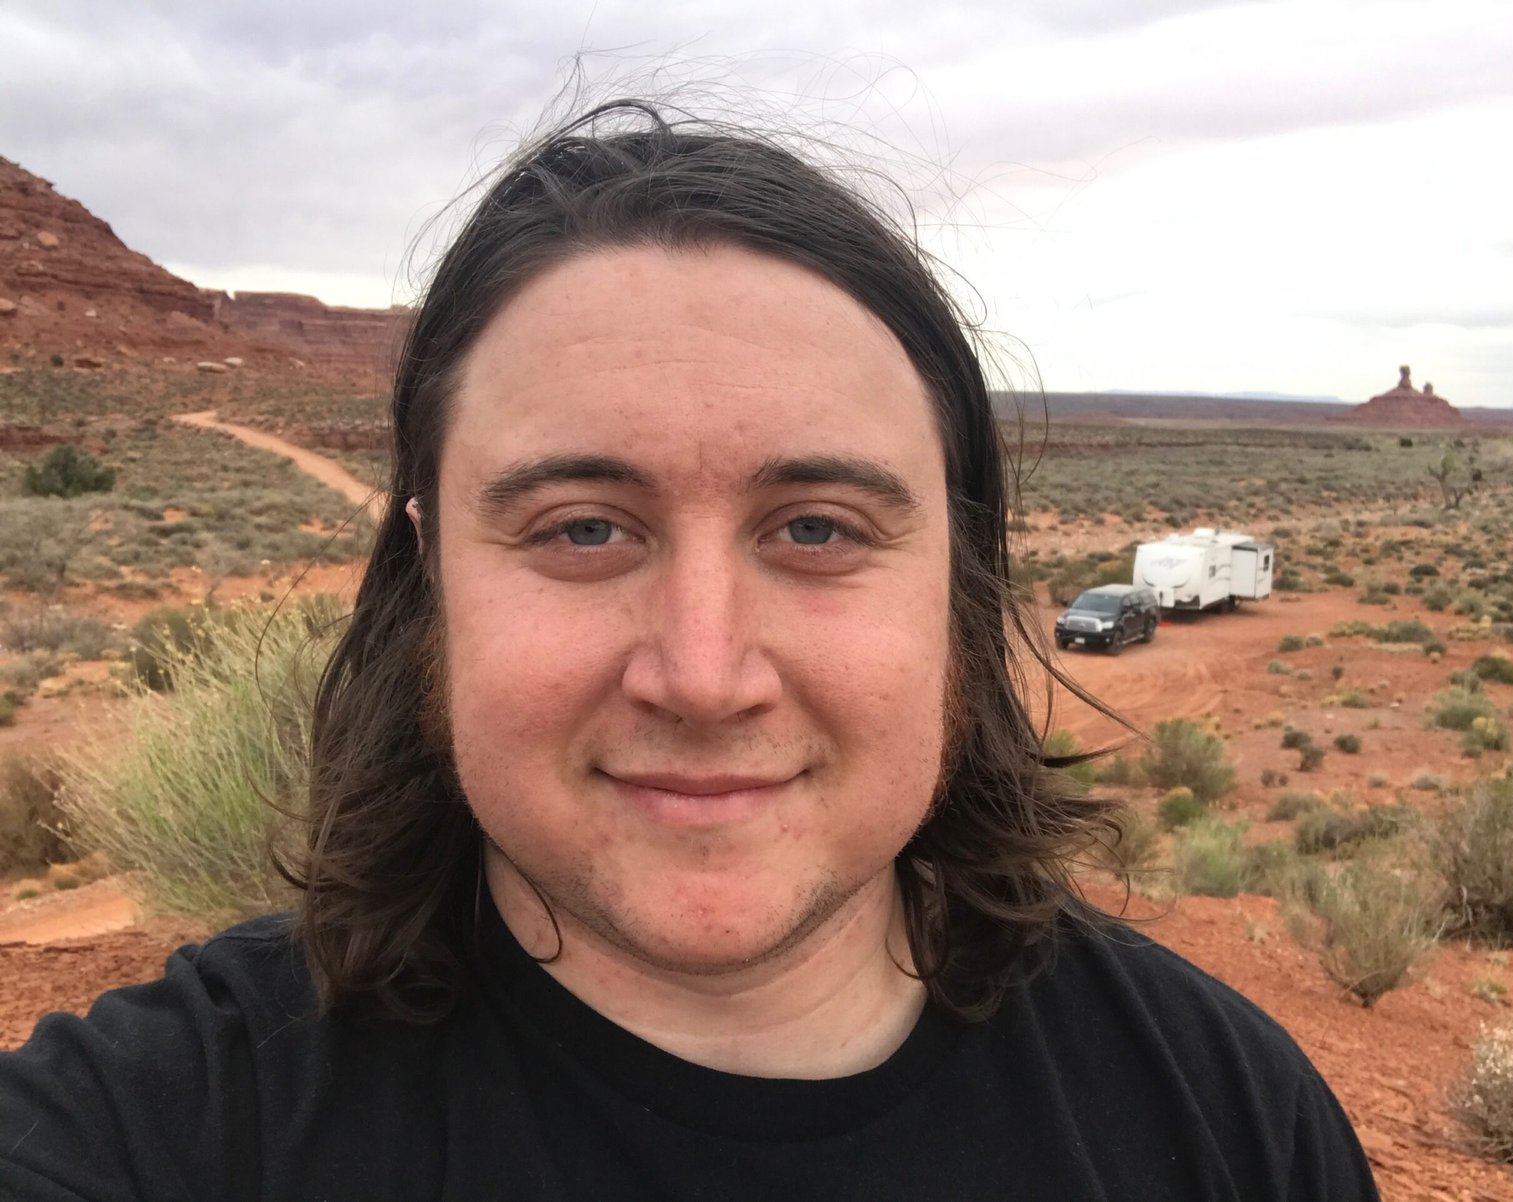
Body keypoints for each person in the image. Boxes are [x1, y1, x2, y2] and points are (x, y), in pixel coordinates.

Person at [0, 99, 1379, 1200]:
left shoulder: (1225, 1121)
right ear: (430, 577)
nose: (705, 674)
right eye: (586, 529)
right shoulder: (162, 1127)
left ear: (959, 586)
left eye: (820, 529)